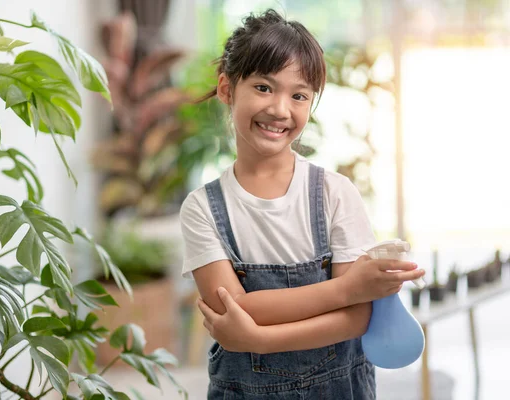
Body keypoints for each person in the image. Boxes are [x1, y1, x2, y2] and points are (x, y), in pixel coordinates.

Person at [179, 9, 425, 399]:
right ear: (227, 89)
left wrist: (256, 339)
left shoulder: (335, 192)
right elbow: (232, 310)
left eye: (298, 95)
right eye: (263, 87)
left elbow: (358, 317)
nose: (280, 109)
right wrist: (346, 289)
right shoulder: (203, 208)